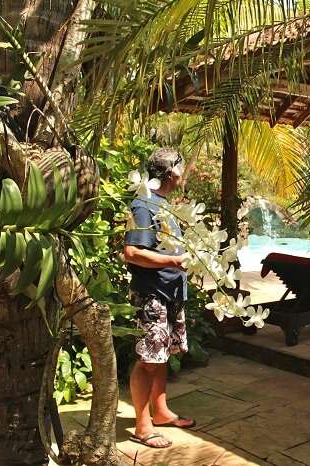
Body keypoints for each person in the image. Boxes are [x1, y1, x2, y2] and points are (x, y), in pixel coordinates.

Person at [124, 147, 194, 448]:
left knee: (162, 357)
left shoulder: (163, 204)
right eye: (180, 164)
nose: (184, 170)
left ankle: (162, 412)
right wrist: (173, 262)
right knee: (148, 360)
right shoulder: (144, 204)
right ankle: (142, 426)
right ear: (170, 171)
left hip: (170, 292)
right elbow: (132, 253)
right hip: (153, 294)